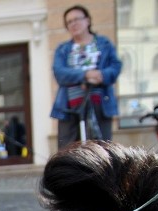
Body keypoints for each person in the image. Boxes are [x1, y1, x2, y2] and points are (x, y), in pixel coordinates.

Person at [51, 4, 122, 149]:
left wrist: (101, 75)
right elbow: (60, 73)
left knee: (101, 151)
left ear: (88, 20)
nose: (74, 24)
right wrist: (86, 74)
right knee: (68, 153)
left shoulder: (104, 44)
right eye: (69, 22)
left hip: (100, 105)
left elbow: (115, 67)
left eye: (77, 19)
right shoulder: (63, 49)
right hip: (69, 108)